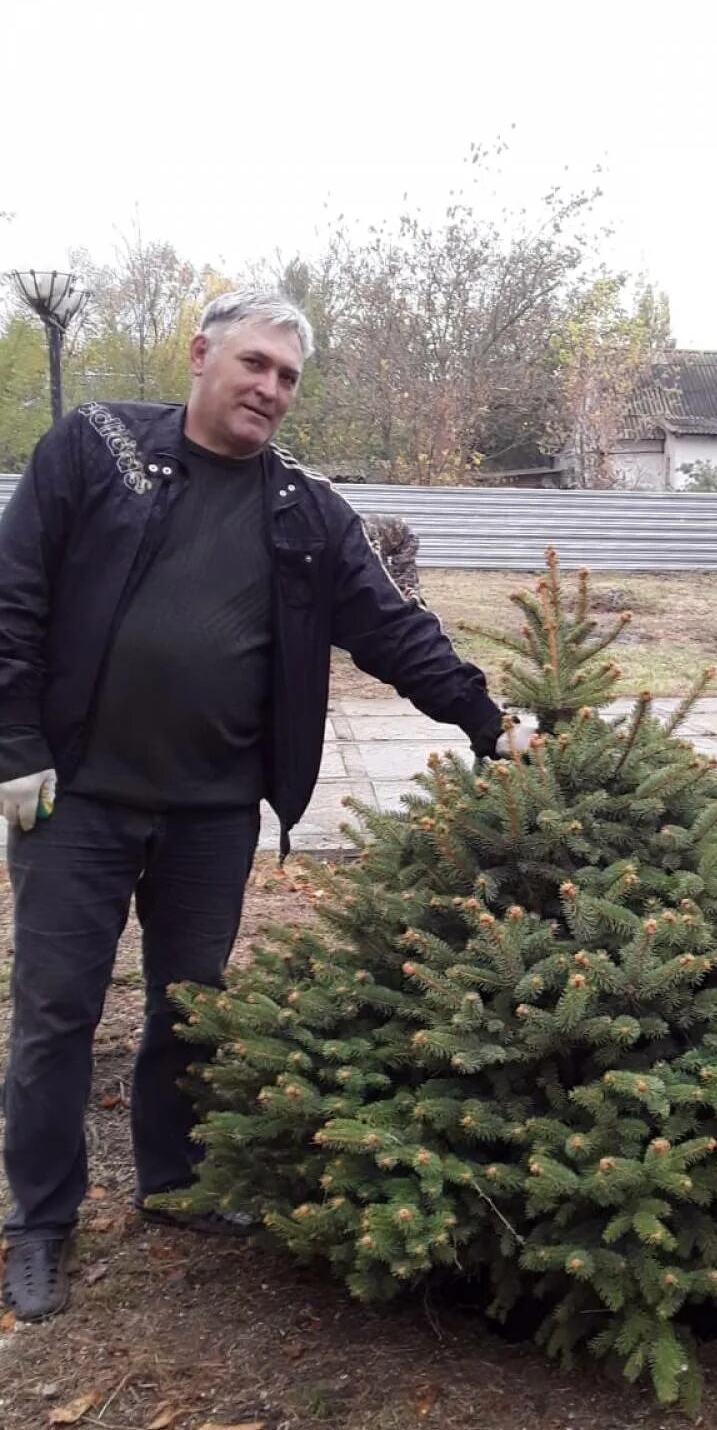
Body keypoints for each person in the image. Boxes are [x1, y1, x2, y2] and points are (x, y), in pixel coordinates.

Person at [0, 290, 530, 1321]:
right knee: (56, 1011)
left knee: (190, 1007)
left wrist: (487, 720)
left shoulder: (303, 509)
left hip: (211, 812)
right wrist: (14, 745)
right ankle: (40, 1220)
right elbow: (12, 597)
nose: (269, 389)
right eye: (253, 364)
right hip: (76, 803)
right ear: (199, 355)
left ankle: (175, 1182)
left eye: (287, 377)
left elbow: (392, 628)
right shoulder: (94, 448)